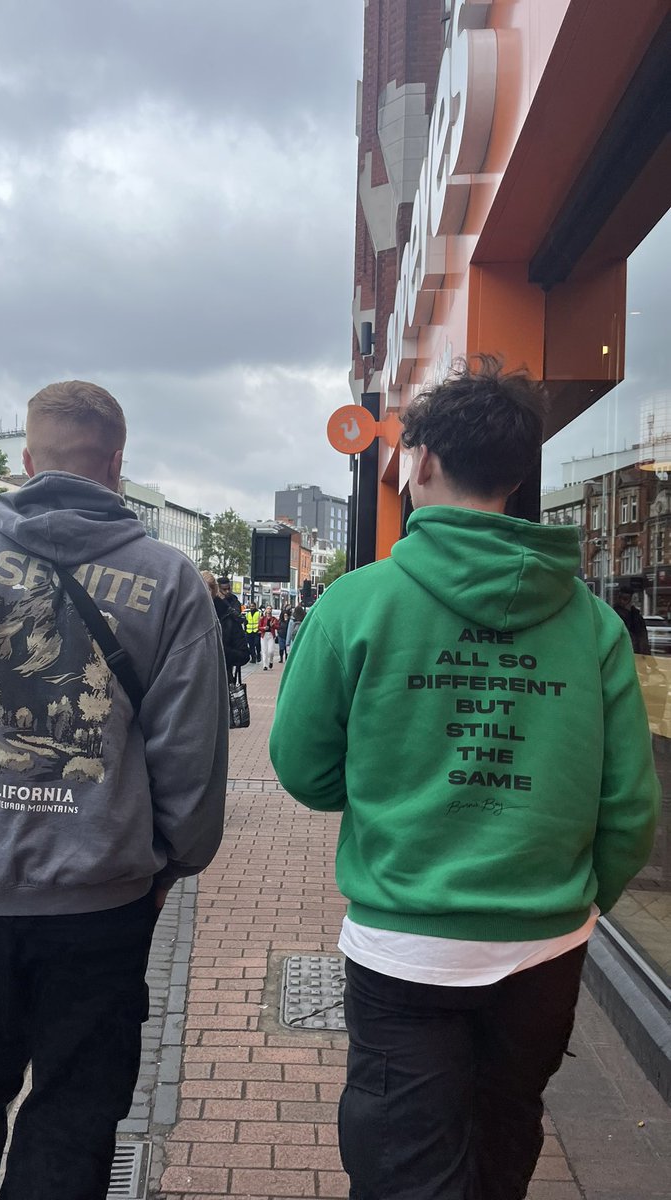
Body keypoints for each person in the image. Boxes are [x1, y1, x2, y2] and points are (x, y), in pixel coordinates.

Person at [270, 357, 658, 1200]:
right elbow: (628, 805)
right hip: (546, 945)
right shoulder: (594, 623)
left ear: (424, 463)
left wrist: (388, 789)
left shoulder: (355, 603)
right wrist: (574, 899)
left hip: (405, 941)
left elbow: (302, 768)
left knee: (404, 1159)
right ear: (516, 476)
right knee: (504, 1136)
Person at [0, 380, 229, 1200]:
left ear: (28, 462)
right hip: (104, 912)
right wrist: (162, 871)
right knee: (74, 1120)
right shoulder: (169, 580)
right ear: (115, 465)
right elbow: (189, 768)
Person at [203, 571, 250, 680]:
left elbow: (243, 655)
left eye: (207, 590)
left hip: (221, 680)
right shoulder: (187, 615)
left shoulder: (228, 614)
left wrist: (220, 651)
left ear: (214, 591)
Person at [613, 585, 650, 655]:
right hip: (623, 653)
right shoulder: (615, 614)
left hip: (634, 652)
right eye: (620, 598)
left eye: (625, 599)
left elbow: (643, 638)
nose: (622, 602)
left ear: (631, 599)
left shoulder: (636, 616)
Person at [258, 605, 279, 670]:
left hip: (271, 635)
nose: (269, 610)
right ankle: (265, 665)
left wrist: (273, 625)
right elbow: (258, 627)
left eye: (270, 609)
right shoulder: (262, 619)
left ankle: (271, 661)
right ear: (266, 610)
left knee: (271, 651)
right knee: (264, 651)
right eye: (268, 609)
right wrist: (263, 628)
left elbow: (278, 627)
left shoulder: (274, 619)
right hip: (264, 635)